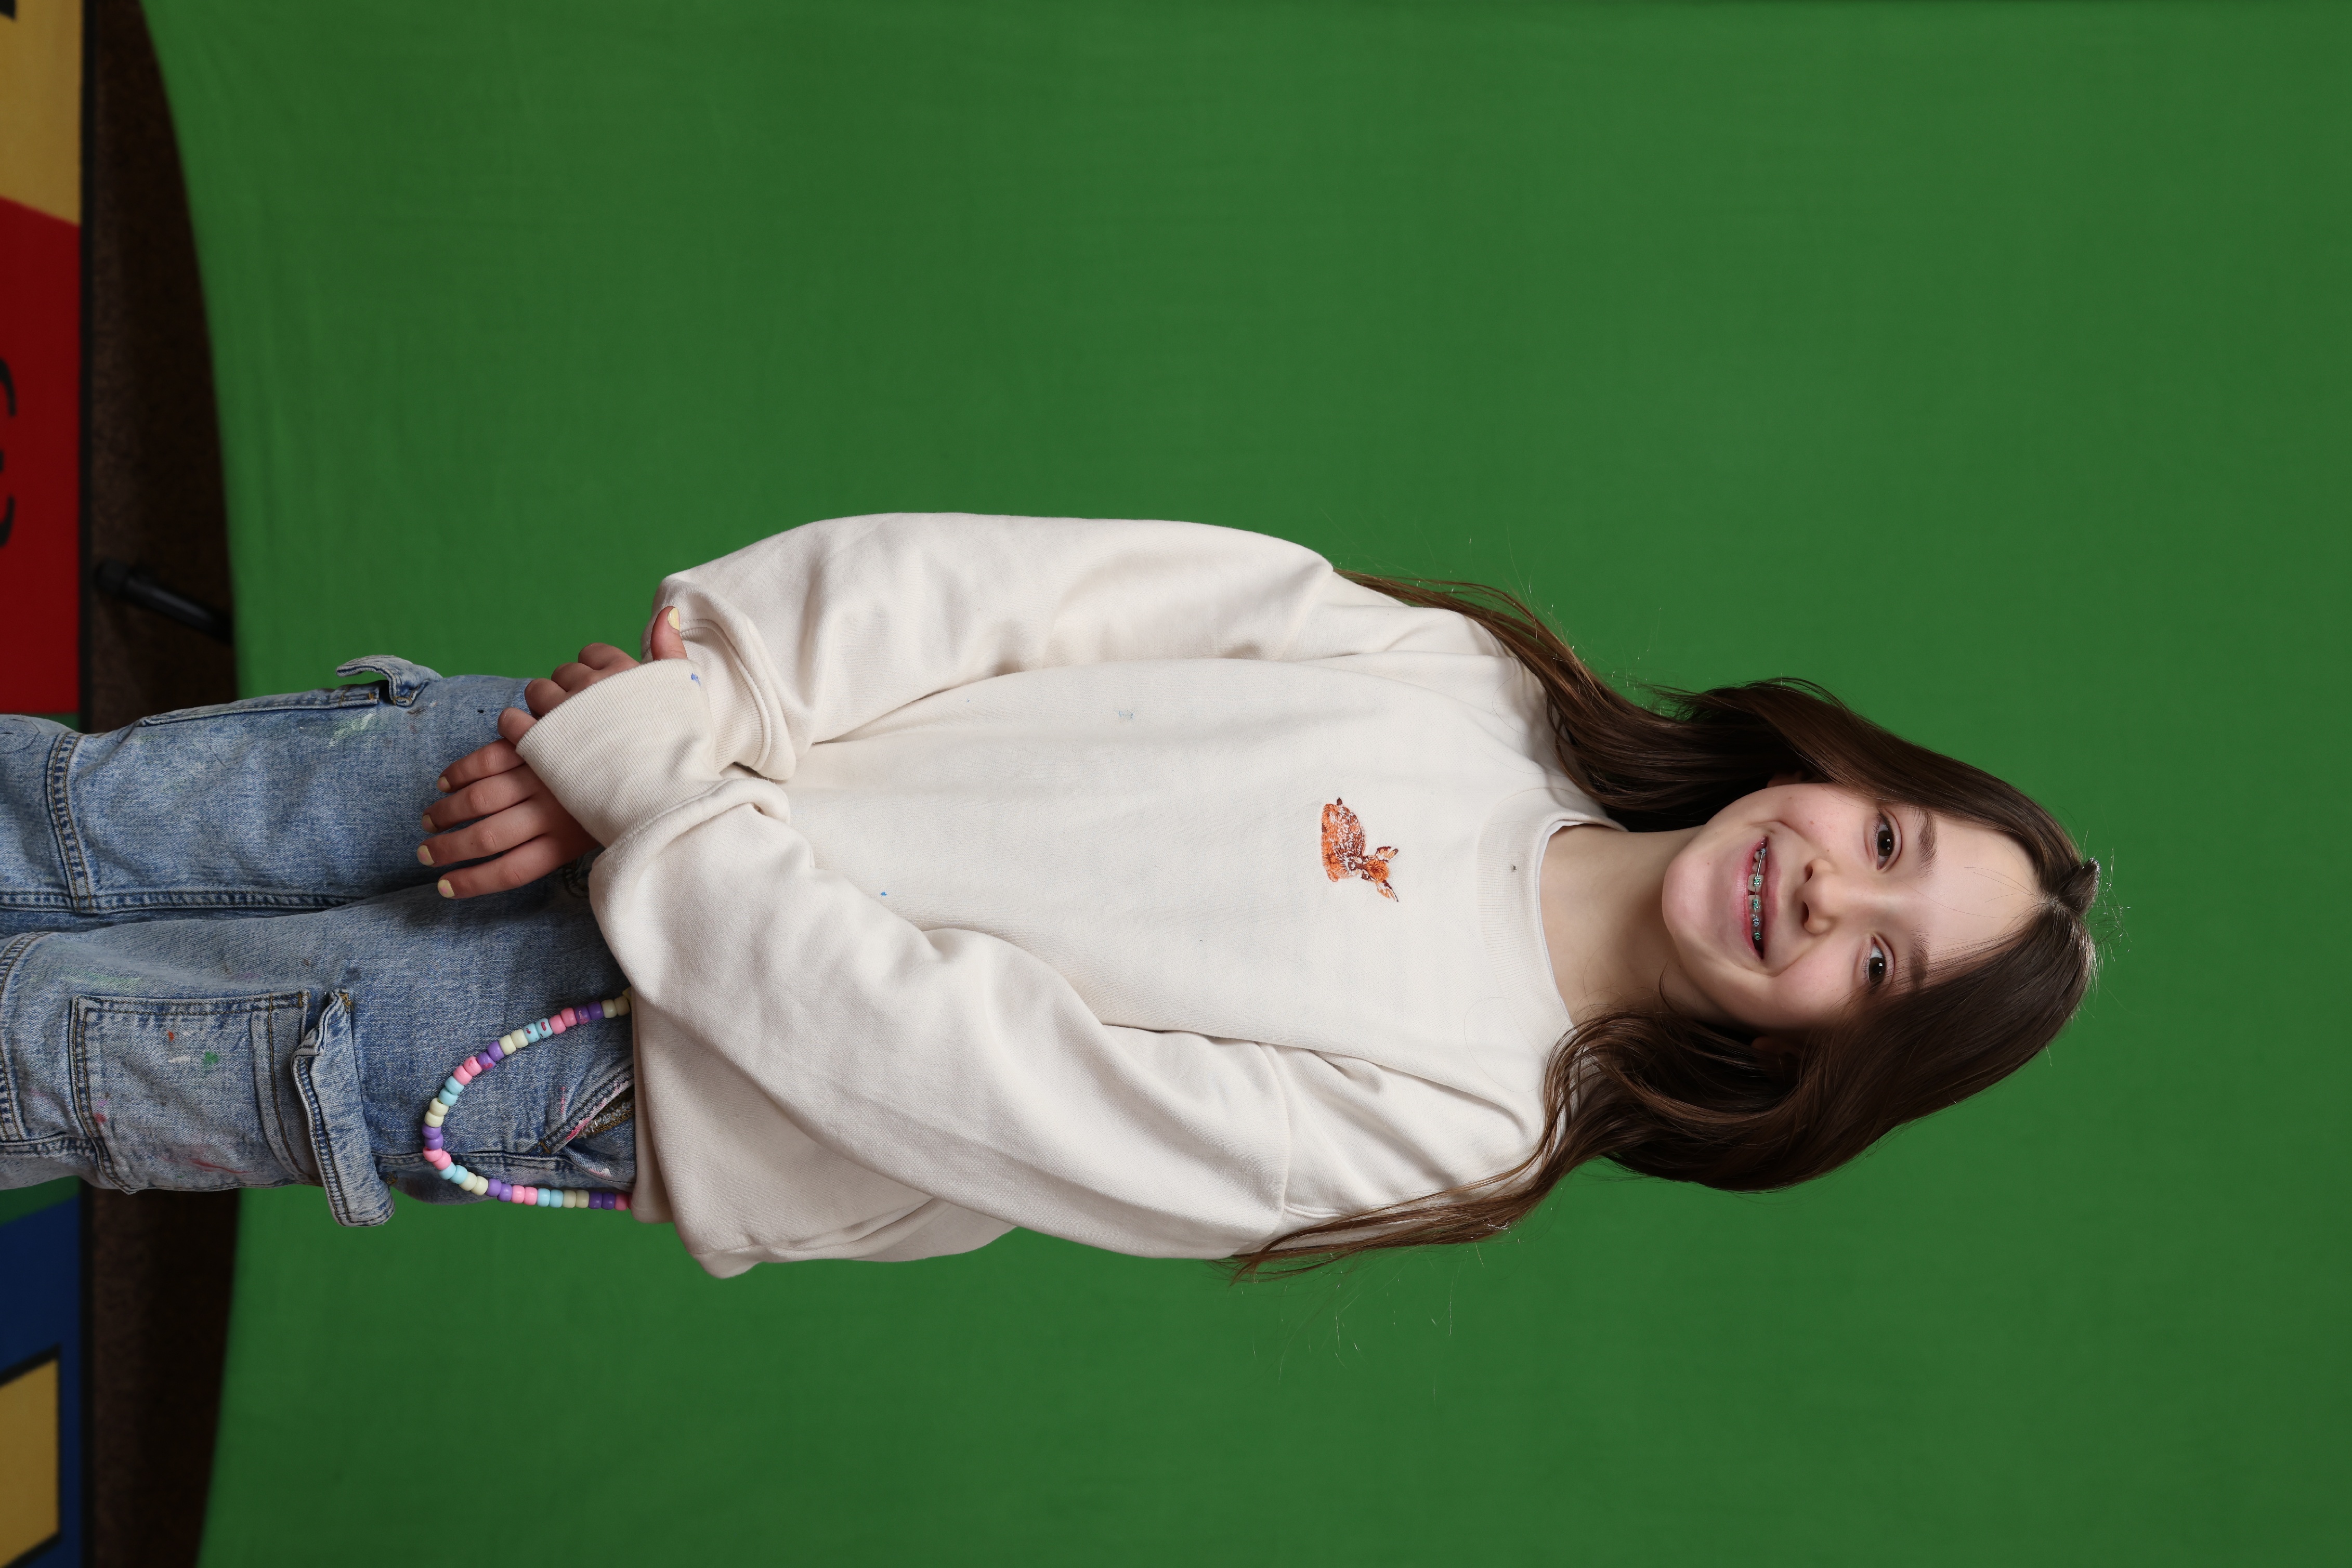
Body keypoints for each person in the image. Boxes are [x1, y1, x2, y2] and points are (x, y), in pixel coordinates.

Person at [0, 514, 2098, 1276]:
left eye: (1880, 970)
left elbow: (973, 1078)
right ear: (1845, 774)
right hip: (608, 757)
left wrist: (667, 814)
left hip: (617, 1048)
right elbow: (1018, 594)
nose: (1829, 902)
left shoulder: (1468, 1122)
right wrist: (706, 708)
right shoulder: (1465, 686)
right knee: (72, 822)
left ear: (1816, 1061)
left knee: (40, 1045)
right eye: (1889, 847)